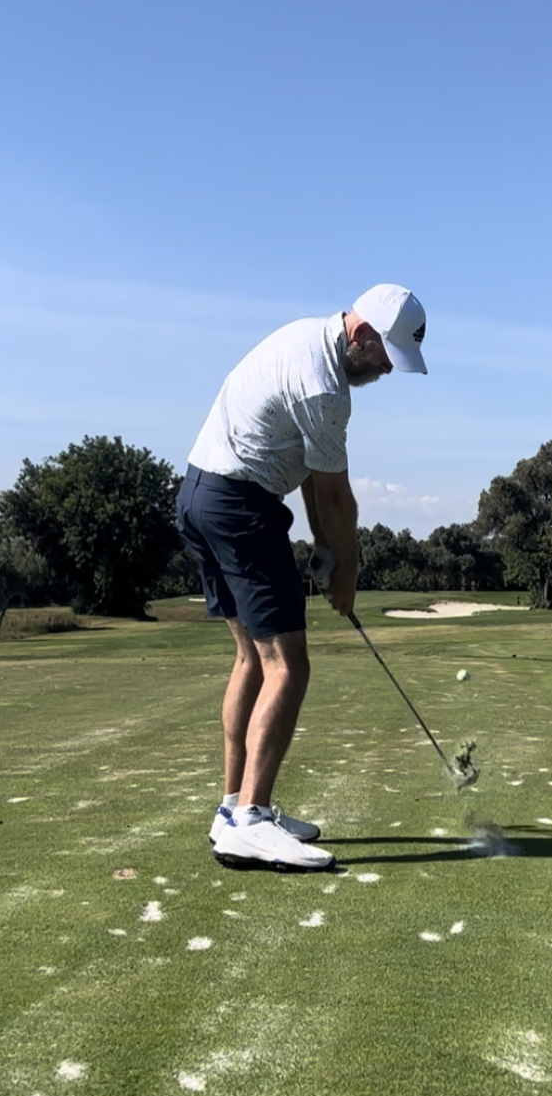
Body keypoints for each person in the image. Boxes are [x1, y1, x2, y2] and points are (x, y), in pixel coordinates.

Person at [176, 283, 428, 872]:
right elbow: (337, 499)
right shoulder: (325, 386)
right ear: (360, 333)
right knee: (288, 665)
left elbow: (317, 479)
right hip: (240, 505)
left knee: (252, 659)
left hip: (199, 495)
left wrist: (324, 548)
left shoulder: (304, 339)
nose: (388, 370)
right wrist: (348, 572)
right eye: (386, 356)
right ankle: (251, 821)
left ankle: (233, 807)